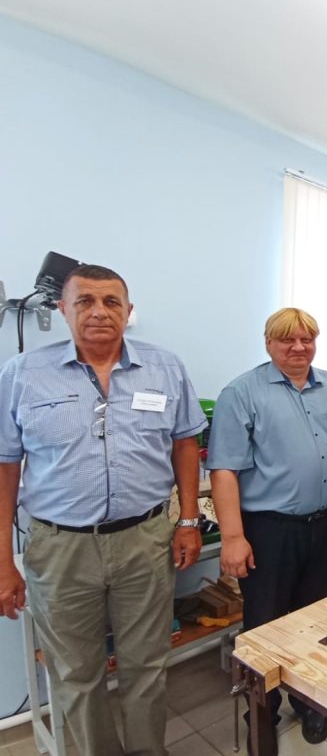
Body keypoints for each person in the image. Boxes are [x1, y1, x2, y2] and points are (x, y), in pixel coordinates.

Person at [0, 264, 206, 756]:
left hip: (145, 540)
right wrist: (4, 559)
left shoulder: (165, 367)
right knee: (75, 673)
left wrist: (188, 521)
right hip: (59, 547)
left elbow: (185, 443)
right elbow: (6, 465)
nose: (99, 312)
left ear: (128, 311)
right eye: (85, 301)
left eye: (111, 302)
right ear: (63, 309)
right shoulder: (23, 373)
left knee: (147, 664)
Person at [206, 307, 327, 745]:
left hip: (322, 526)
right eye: (287, 339)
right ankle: (262, 712)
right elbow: (223, 470)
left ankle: (309, 703)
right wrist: (233, 537)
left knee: (314, 622)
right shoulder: (241, 393)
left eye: (307, 339)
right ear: (269, 343)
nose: (298, 347)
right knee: (264, 626)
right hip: (269, 531)